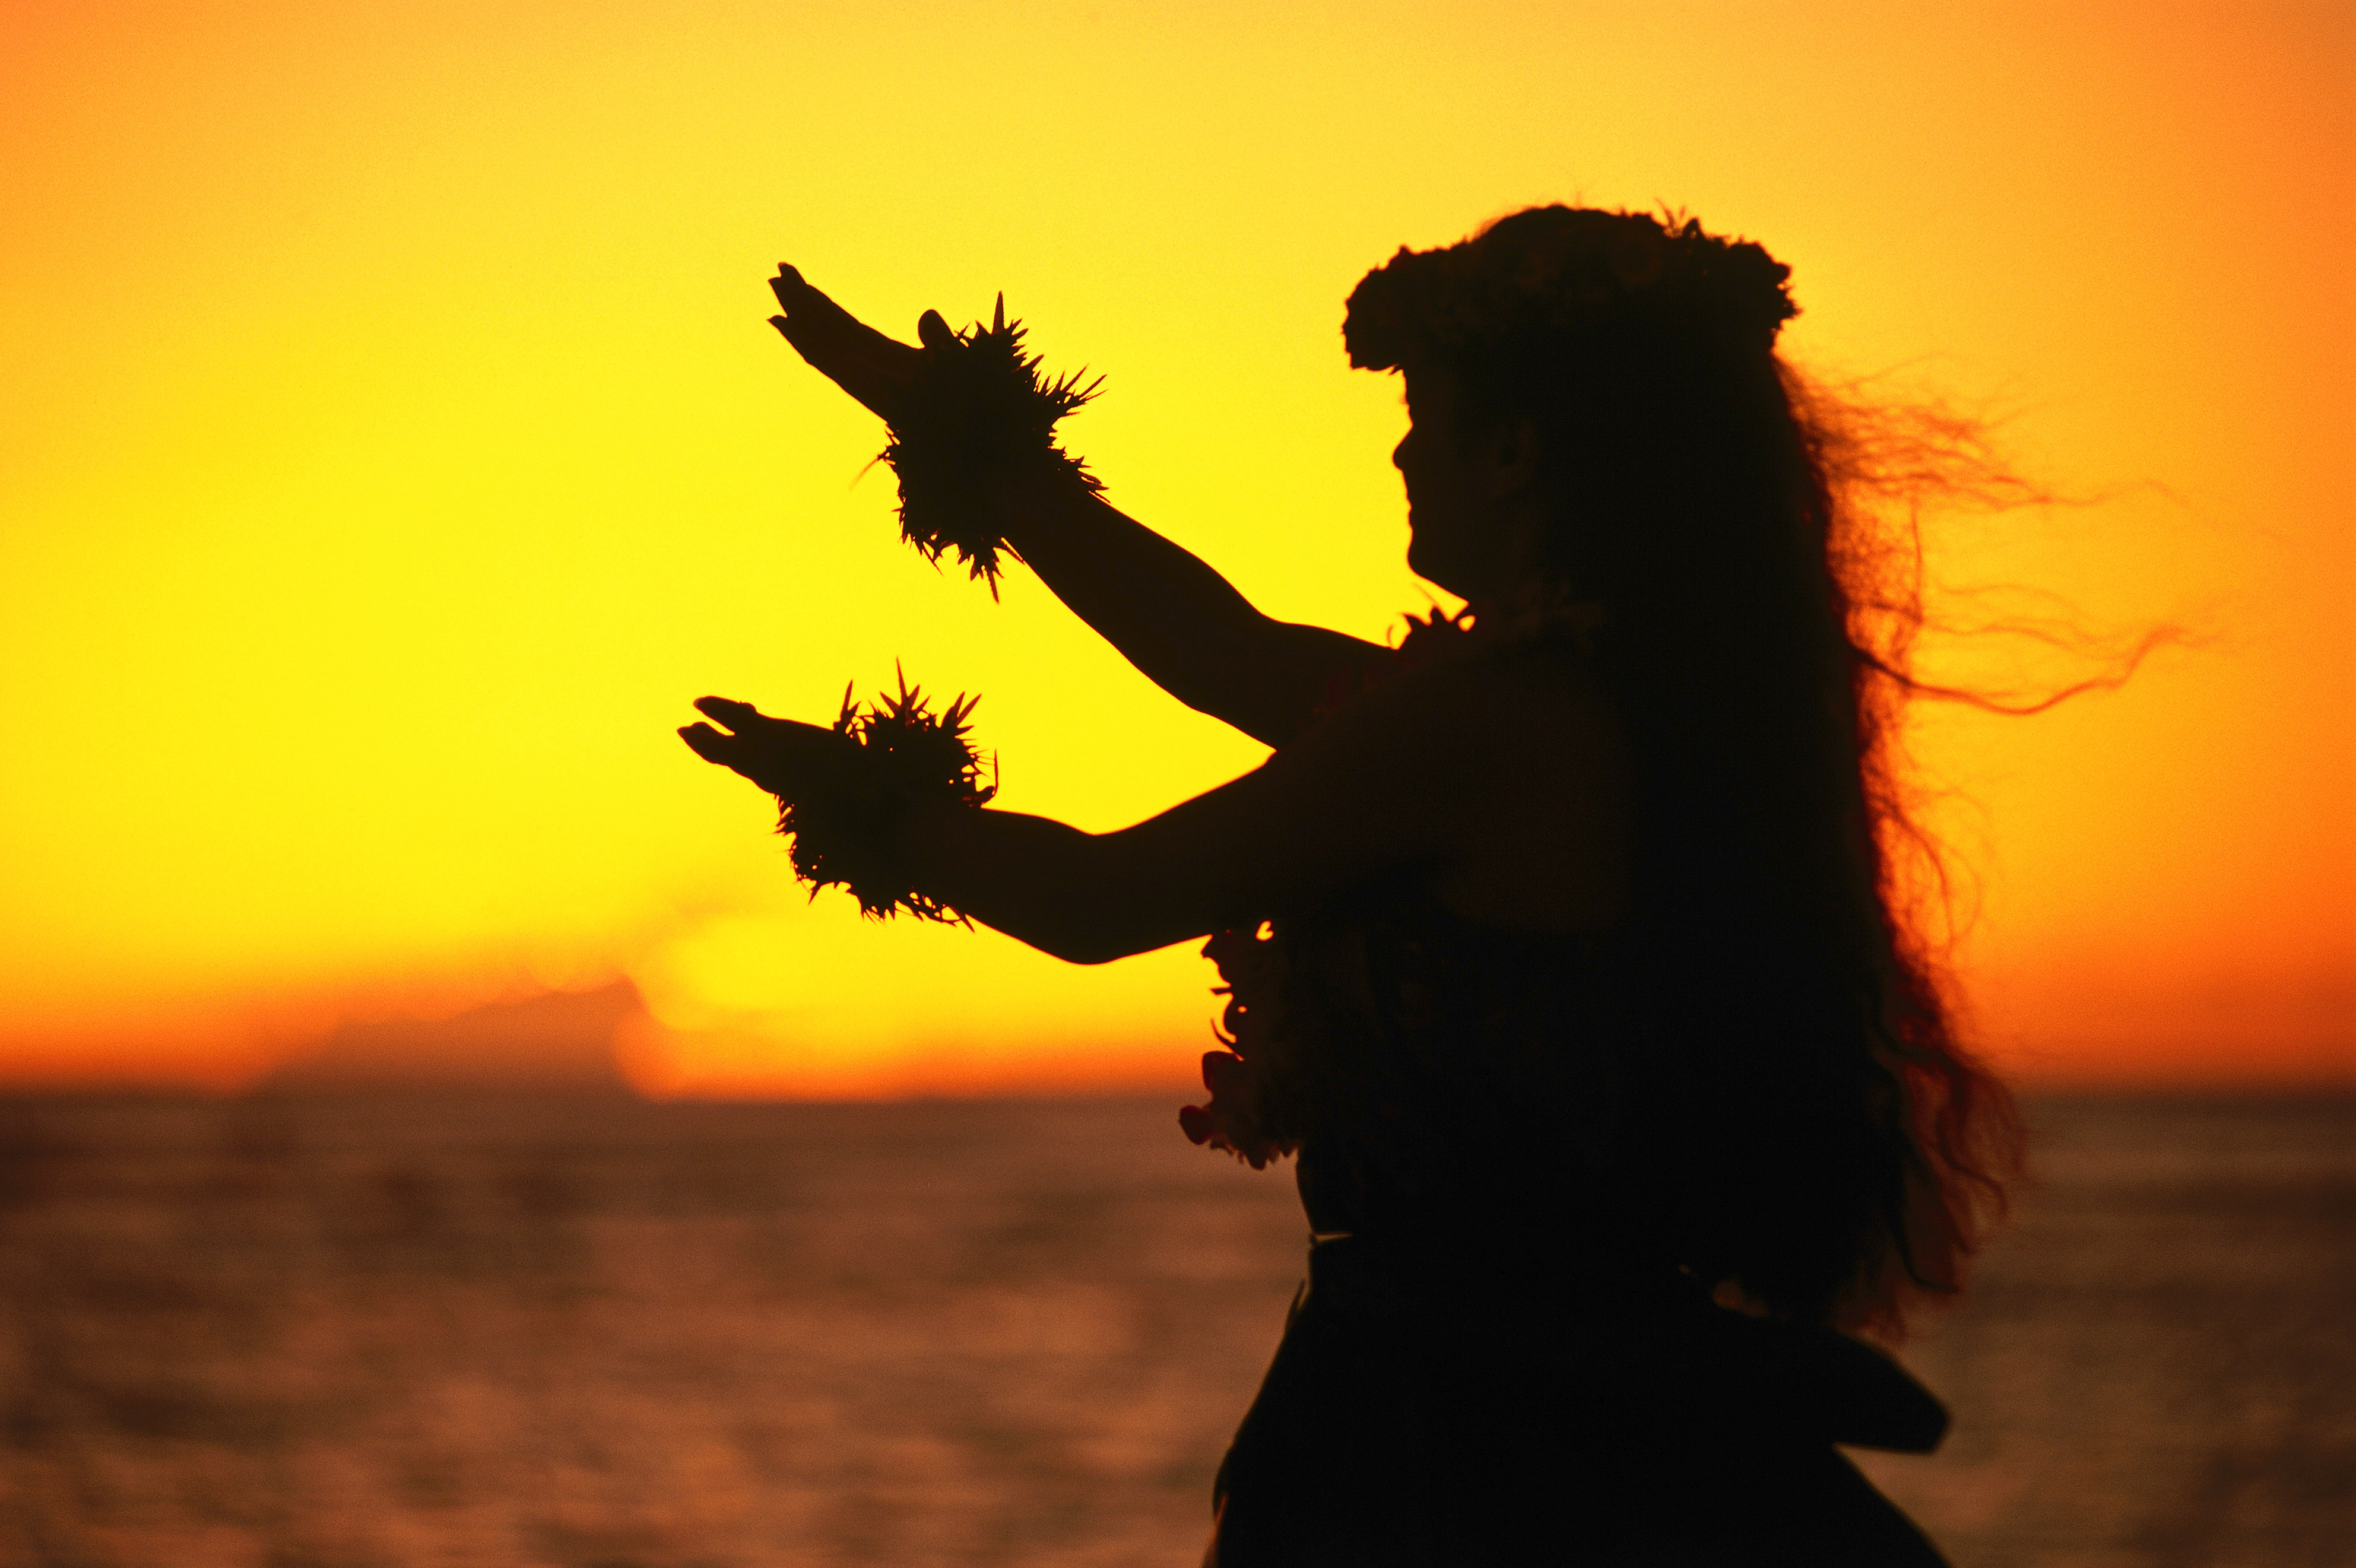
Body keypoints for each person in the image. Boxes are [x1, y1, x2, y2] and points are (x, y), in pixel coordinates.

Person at [680, 205, 2022, 1566]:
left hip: (1456, 1452)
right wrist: (977, 448)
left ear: (1513, 453)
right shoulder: (1615, 715)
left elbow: (1097, 898)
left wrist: (845, 793)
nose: (1396, 450)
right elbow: (1219, 643)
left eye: (1422, 416)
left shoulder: (1485, 725)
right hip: (1565, 1410)